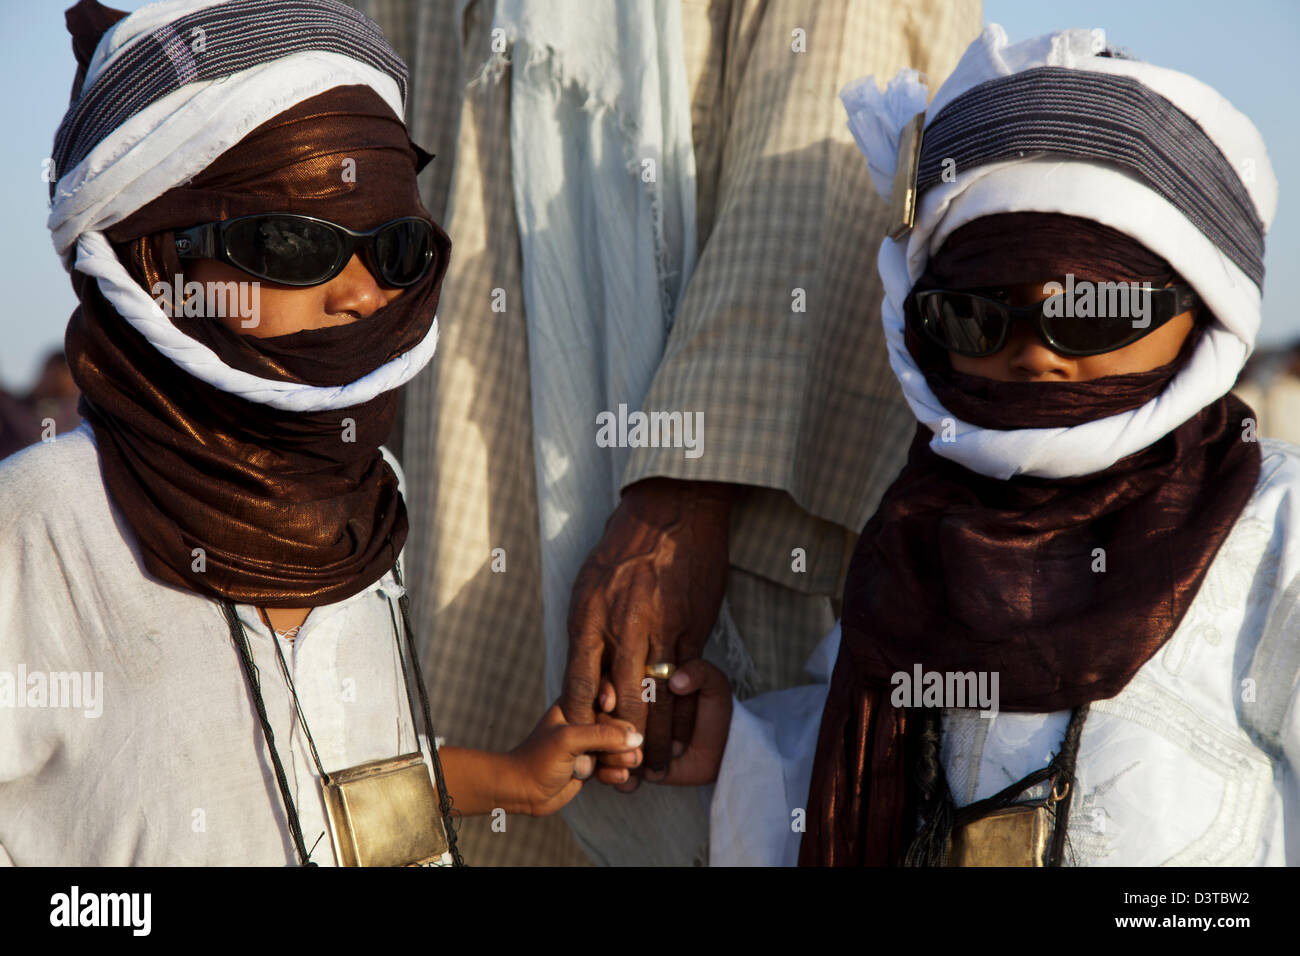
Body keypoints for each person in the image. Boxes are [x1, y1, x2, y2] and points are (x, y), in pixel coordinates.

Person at [0, 0, 638, 867]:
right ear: (158, 258)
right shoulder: (47, 518)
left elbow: (335, 777)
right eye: (296, 243)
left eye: (396, 250)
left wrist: (512, 779)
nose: (359, 294)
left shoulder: (371, 496)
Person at [351, 0, 981, 866]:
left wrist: (683, 495)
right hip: (425, 453)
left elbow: (814, 173)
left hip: (703, 518)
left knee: (726, 784)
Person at [661, 25, 1300, 866]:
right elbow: (850, 765)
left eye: (1092, 309)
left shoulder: (1275, 531)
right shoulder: (919, 530)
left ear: (1202, 308)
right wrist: (738, 747)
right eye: (976, 316)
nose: (1035, 352)